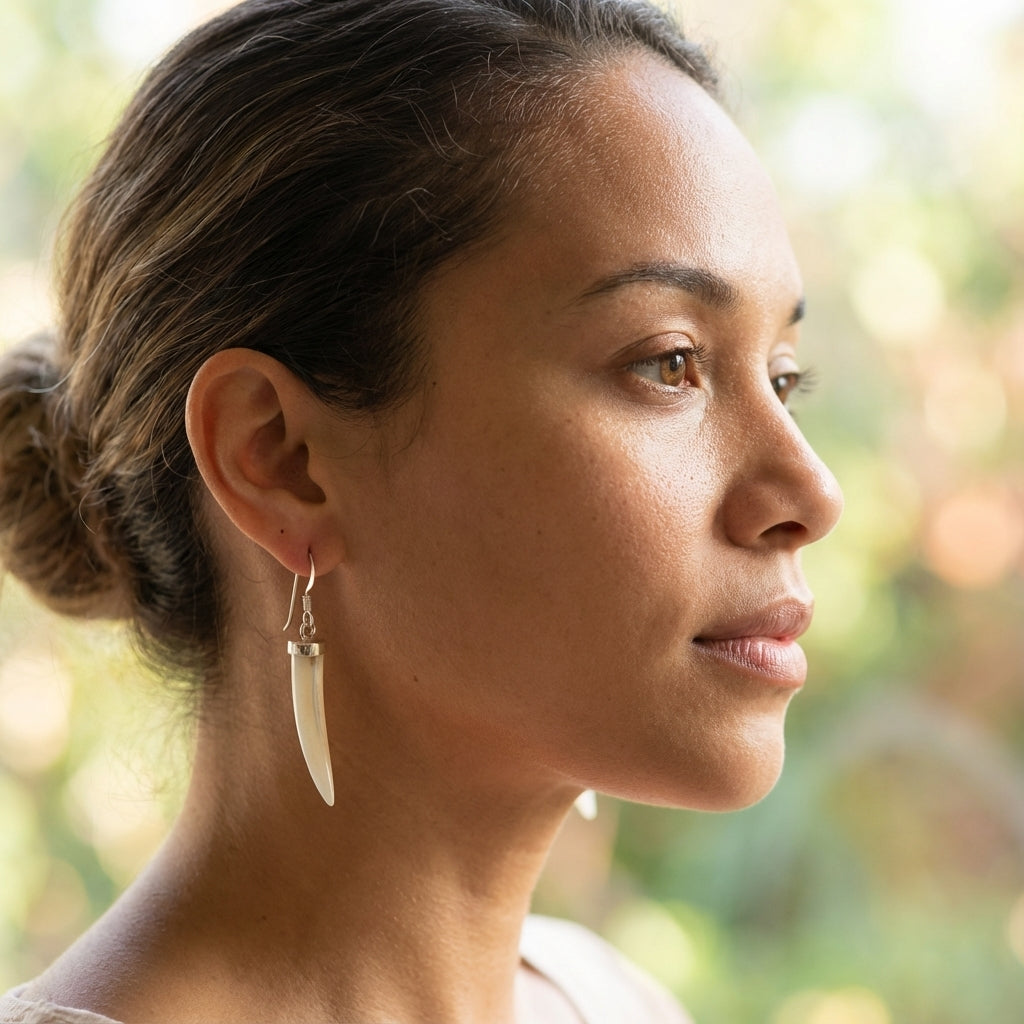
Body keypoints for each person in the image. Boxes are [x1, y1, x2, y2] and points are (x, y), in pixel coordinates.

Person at [0, 0, 843, 1020]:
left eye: (784, 377)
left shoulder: (613, 1002)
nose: (808, 494)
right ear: (279, 459)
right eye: (668, 363)